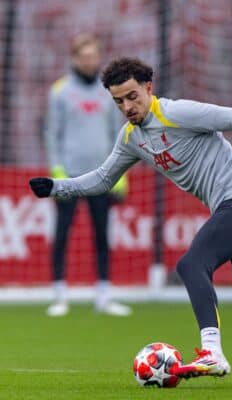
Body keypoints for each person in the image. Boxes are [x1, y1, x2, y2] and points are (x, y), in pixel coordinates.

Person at [30, 57, 232, 381]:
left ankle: (212, 352)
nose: (127, 106)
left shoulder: (176, 113)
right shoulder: (131, 138)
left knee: (190, 264)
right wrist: (57, 187)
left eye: (132, 96)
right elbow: (103, 179)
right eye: (119, 101)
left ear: (148, 88)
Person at [43, 33, 130, 317]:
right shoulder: (60, 91)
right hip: (69, 176)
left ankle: (103, 295)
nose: (91, 61)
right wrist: (57, 169)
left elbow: (116, 133)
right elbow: (52, 134)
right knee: (62, 234)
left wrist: (121, 173)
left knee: (102, 235)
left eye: (94, 56)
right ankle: (59, 294)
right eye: (85, 56)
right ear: (75, 59)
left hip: (102, 175)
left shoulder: (110, 92)